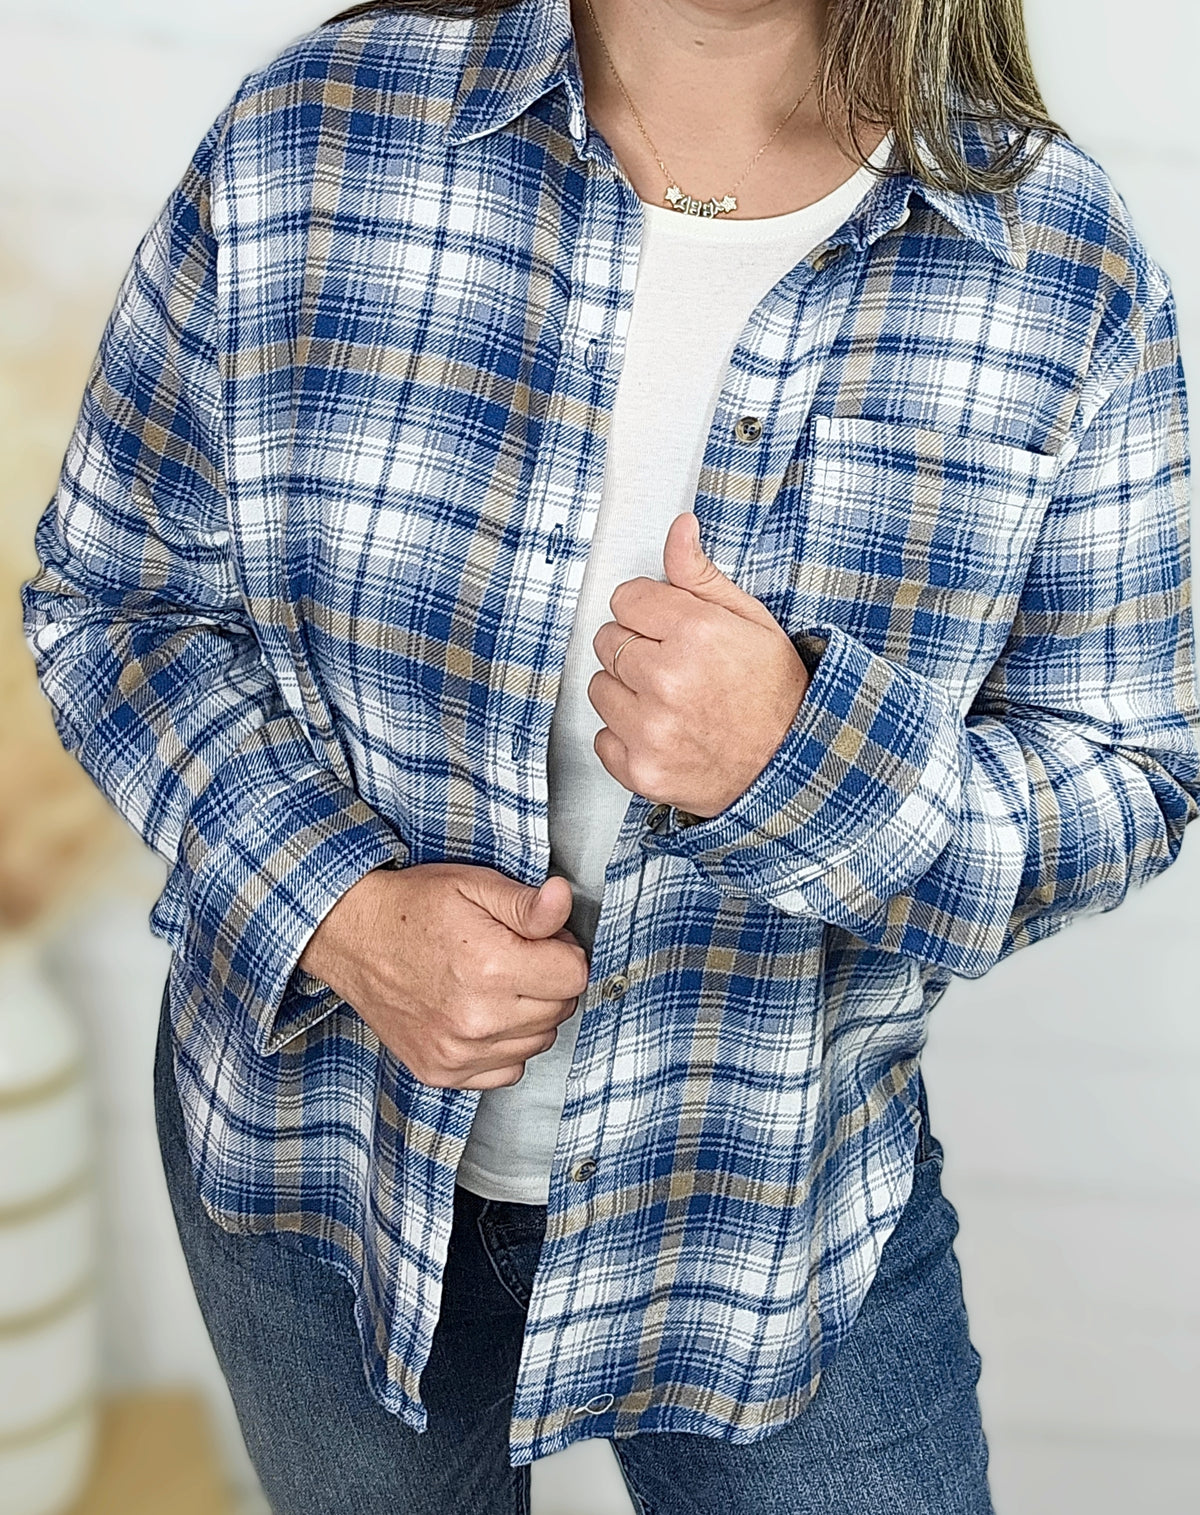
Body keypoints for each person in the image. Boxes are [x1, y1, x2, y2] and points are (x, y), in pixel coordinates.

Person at [22, 0, 1200, 1509]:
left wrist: (804, 758)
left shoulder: (1064, 269)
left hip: (774, 1217)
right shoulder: (315, 134)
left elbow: (1130, 771)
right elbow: (115, 601)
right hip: (324, 1170)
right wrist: (344, 913)